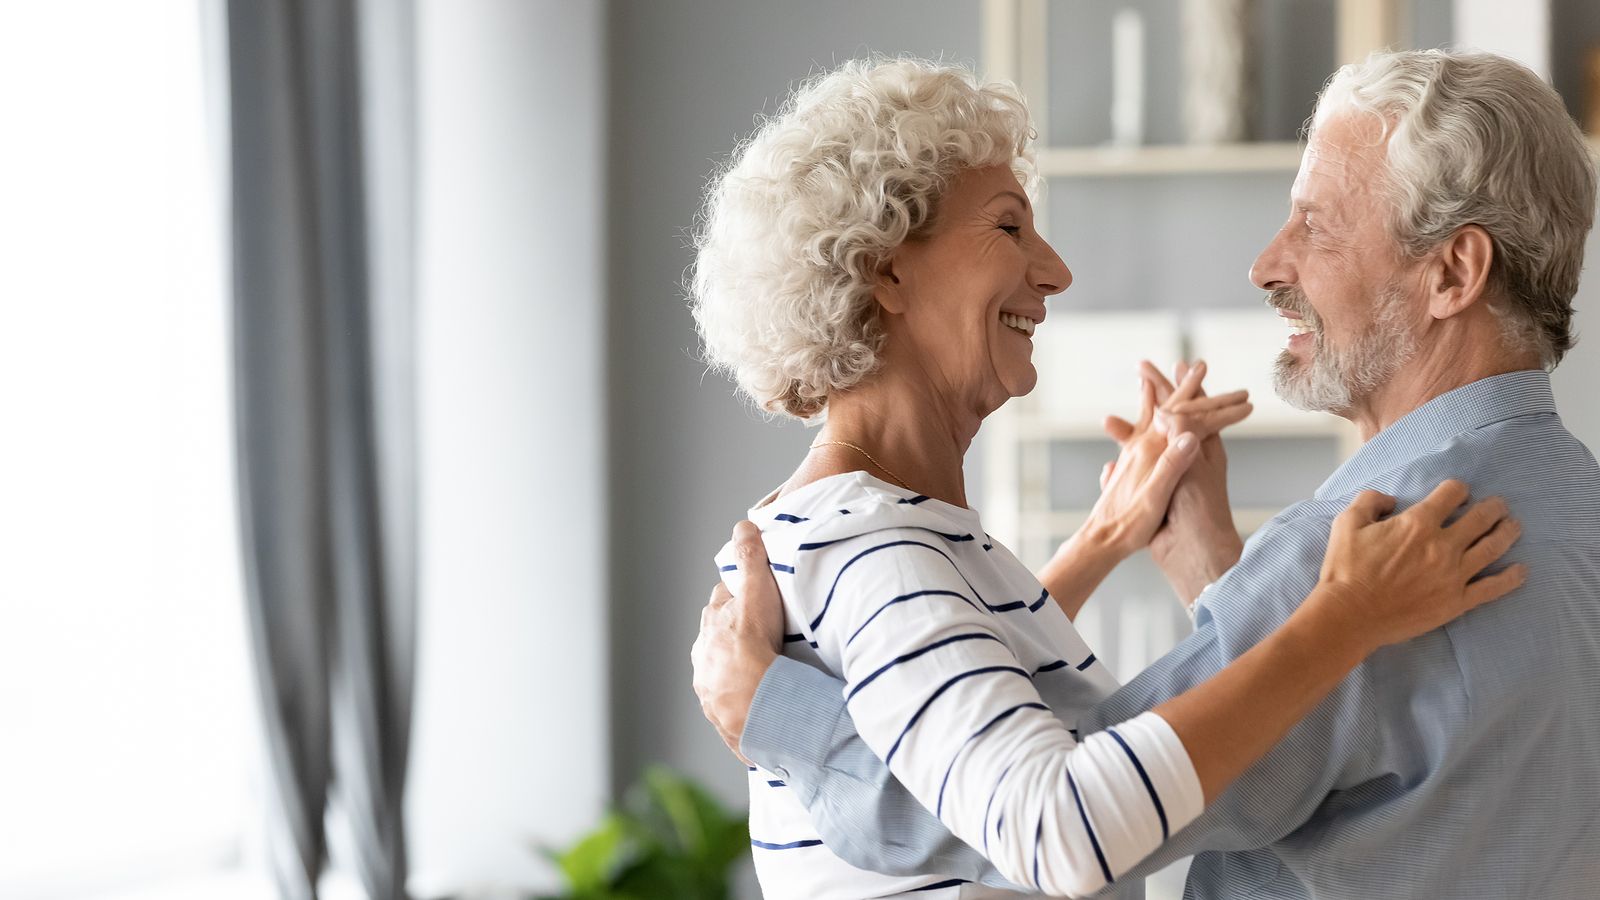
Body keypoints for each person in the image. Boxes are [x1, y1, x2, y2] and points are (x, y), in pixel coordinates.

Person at [693, 49, 1600, 898]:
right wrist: (1208, 567)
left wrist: (778, 718)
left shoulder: (1356, 570)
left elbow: (1049, 816)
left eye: (1314, 226)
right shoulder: (1577, 509)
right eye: (1009, 227)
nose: (1265, 263)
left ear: (1453, 272)